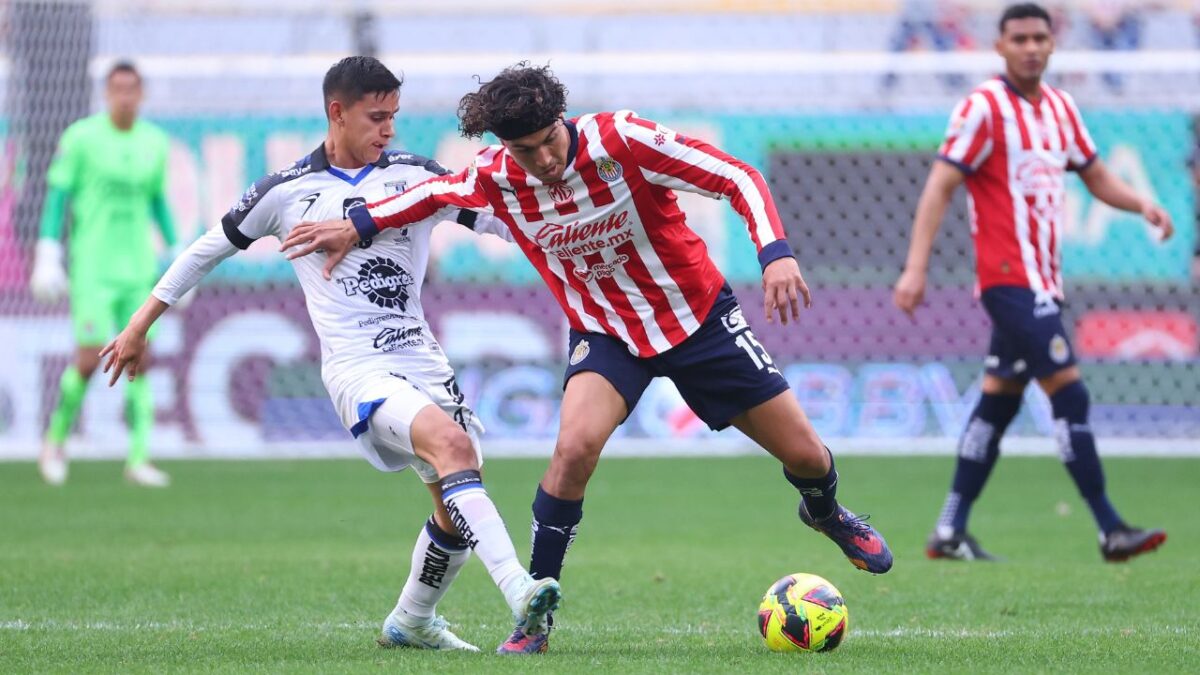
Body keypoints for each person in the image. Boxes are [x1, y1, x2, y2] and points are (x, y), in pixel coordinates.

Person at [280, 62, 894, 654]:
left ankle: (826, 511)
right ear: (503, 146)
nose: (543, 160)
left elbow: (737, 176)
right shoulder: (494, 176)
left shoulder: (623, 140)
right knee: (572, 451)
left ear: (563, 118)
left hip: (696, 319)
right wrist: (354, 225)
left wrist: (776, 253)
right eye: (525, 150)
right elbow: (428, 197)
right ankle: (534, 617)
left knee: (807, 456)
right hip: (606, 335)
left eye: (549, 141)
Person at [99, 56, 560, 654]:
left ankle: (412, 621)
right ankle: (520, 591)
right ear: (336, 113)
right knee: (451, 450)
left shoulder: (416, 175)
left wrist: (561, 231)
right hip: (357, 370)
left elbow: (498, 222)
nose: (389, 129)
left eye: (394, 116)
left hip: (424, 362)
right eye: (376, 117)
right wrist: (139, 326)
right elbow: (204, 252)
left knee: (456, 502)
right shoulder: (286, 191)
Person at [892, 3, 1172, 563]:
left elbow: (1093, 175)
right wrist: (916, 266)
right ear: (999, 46)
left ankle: (948, 530)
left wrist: (1141, 202)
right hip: (1007, 281)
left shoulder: (1061, 108)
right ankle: (1110, 527)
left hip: (1046, 280)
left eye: (1039, 37)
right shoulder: (983, 108)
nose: (1030, 47)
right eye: (1018, 37)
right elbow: (940, 185)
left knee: (998, 402)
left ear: (1052, 43)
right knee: (1070, 391)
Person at [30, 61, 178, 487]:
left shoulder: (154, 143)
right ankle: (55, 440)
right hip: (93, 267)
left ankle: (138, 459)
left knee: (142, 359)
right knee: (87, 358)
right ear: (106, 93)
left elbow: (158, 202)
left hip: (137, 269)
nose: (124, 96)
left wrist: (175, 254)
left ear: (141, 94)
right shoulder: (81, 138)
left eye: (132, 89)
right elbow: (58, 196)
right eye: (117, 89)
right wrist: (47, 251)